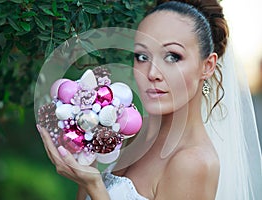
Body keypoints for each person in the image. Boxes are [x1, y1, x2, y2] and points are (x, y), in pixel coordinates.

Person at [36, 0, 262, 199]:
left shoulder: (193, 163)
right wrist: (88, 167)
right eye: (142, 57)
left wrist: (95, 186)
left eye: (173, 57)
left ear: (207, 66)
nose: (151, 72)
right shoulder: (136, 133)